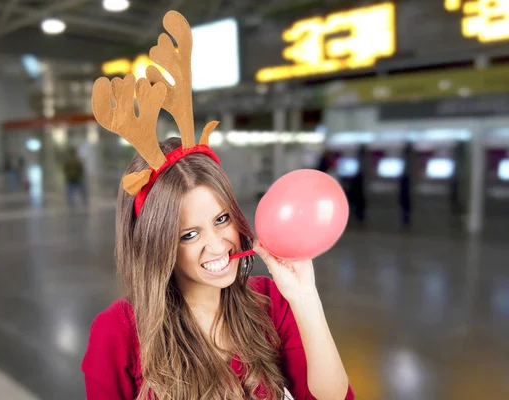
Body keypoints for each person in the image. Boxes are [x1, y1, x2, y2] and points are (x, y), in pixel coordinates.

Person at [81, 10, 353, 400]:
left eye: (221, 218)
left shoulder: (270, 302)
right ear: (158, 246)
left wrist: (305, 296)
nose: (218, 245)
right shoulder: (119, 330)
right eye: (189, 234)